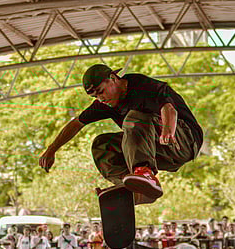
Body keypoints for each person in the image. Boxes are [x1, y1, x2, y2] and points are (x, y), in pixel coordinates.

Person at [39, 63, 203, 205]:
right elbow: (76, 123)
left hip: (184, 140)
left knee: (134, 118)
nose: (100, 98)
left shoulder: (142, 85)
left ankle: (144, 173)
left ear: (113, 78)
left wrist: (168, 130)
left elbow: (168, 108)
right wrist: (51, 150)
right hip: (160, 151)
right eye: (95, 96)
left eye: (101, 91)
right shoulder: (105, 104)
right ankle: (135, 188)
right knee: (102, 145)